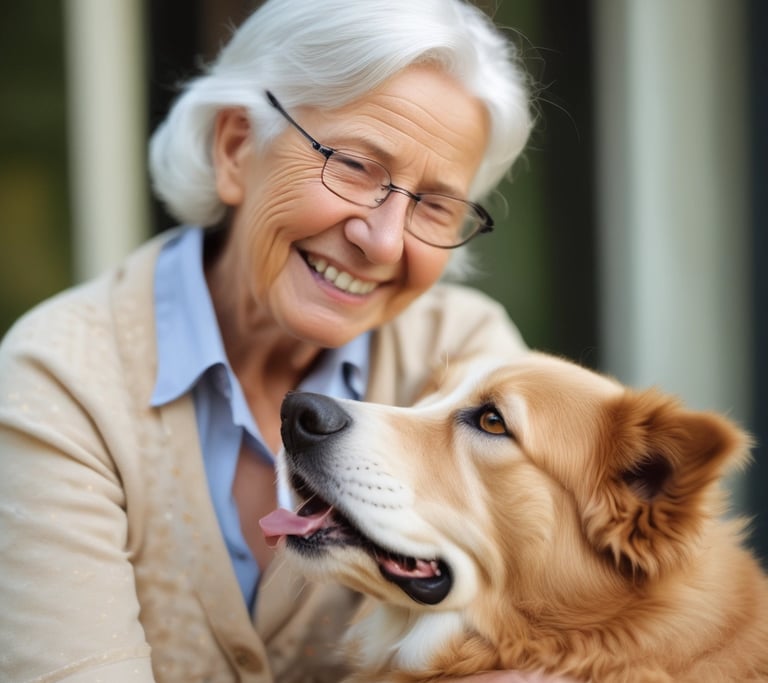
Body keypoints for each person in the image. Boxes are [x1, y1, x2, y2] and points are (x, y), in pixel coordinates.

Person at [0, 1, 575, 681]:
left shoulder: (465, 361)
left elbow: (545, 645)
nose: (384, 240)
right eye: (356, 164)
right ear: (237, 147)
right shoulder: (61, 380)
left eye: (434, 205)